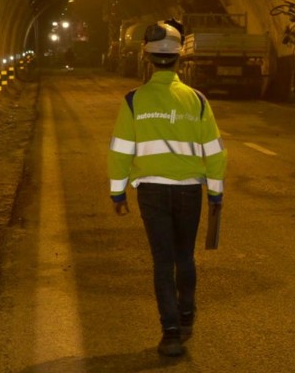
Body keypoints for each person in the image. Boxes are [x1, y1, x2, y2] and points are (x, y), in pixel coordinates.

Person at [107, 23, 227, 356]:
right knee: (184, 255)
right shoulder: (197, 100)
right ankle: (187, 314)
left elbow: (120, 150)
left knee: (162, 261)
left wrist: (118, 193)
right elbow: (215, 151)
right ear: (178, 60)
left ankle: (170, 332)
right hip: (190, 190)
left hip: (152, 192)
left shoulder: (134, 101)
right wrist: (215, 193)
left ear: (147, 58)